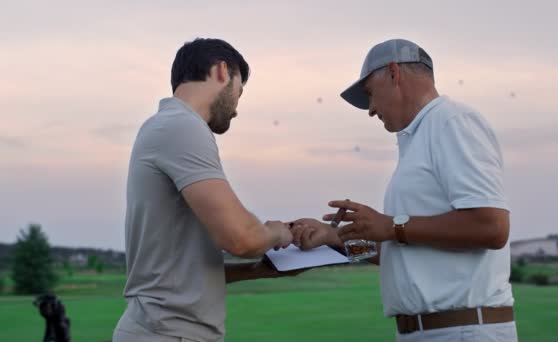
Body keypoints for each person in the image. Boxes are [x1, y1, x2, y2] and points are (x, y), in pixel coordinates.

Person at [291, 38, 517, 341]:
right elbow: (396, 252)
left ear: (395, 73)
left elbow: (492, 228)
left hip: (462, 331)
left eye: (370, 94)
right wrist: (333, 238)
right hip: (429, 332)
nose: (370, 109)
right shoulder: (420, 139)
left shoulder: (452, 122)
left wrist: (390, 225)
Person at [113, 38, 295, 342]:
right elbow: (242, 237)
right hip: (168, 333)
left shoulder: (167, 127)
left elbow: (184, 271)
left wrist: (259, 269)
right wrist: (278, 232)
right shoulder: (182, 127)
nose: (237, 107)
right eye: (240, 91)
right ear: (223, 71)